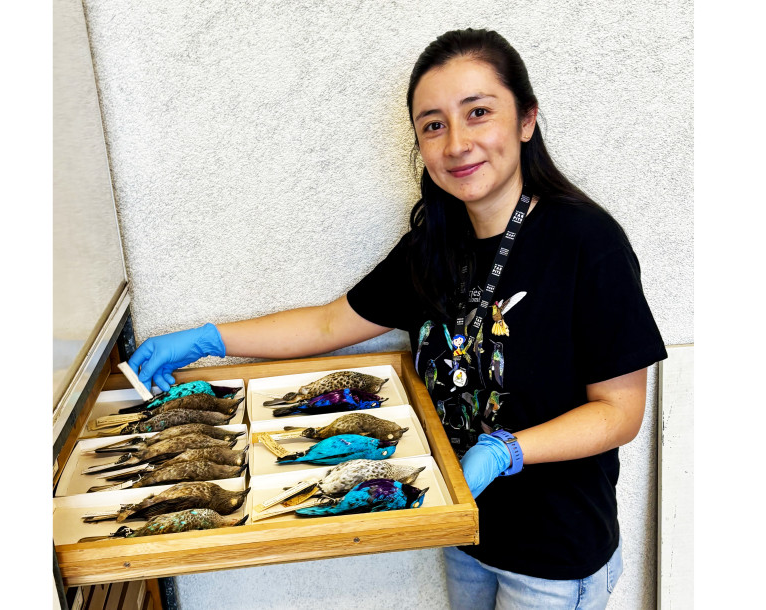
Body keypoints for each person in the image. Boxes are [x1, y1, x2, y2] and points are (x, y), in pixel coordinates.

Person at [128, 28, 667, 610]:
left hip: (556, 556)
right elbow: (329, 326)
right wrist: (210, 340)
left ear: (526, 120)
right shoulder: (434, 247)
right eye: (434, 124)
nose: (457, 143)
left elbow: (619, 413)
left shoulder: (587, 241)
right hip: (462, 530)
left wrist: (507, 450)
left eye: (478, 113)